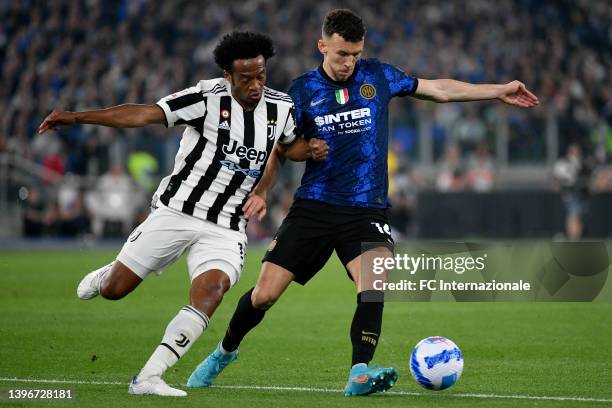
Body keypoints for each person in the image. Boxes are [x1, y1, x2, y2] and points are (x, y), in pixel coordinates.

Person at [187, 9, 539, 397]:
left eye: (355, 54)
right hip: (315, 206)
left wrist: (497, 89)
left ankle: (359, 372)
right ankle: (224, 352)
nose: (348, 63)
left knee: (374, 283)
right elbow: (282, 151)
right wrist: (264, 190)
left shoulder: (379, 76)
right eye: (341, 55)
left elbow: (438, 89)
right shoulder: (301, 91)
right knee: (265, 294)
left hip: (368, 209)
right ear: (323, 46)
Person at [37, 31, 328, 397]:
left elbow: (286, 149)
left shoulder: (280, 108)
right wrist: (78, 118)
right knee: (115, 291)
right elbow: (143, 114)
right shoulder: (205, 97)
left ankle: (149, 377)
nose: (255, 86)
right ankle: (106, 276)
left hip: (227, 225)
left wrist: (309, 150)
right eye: (246, 79)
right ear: (227, 75)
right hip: (176, 212)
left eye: (261, 76)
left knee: (213, 289)